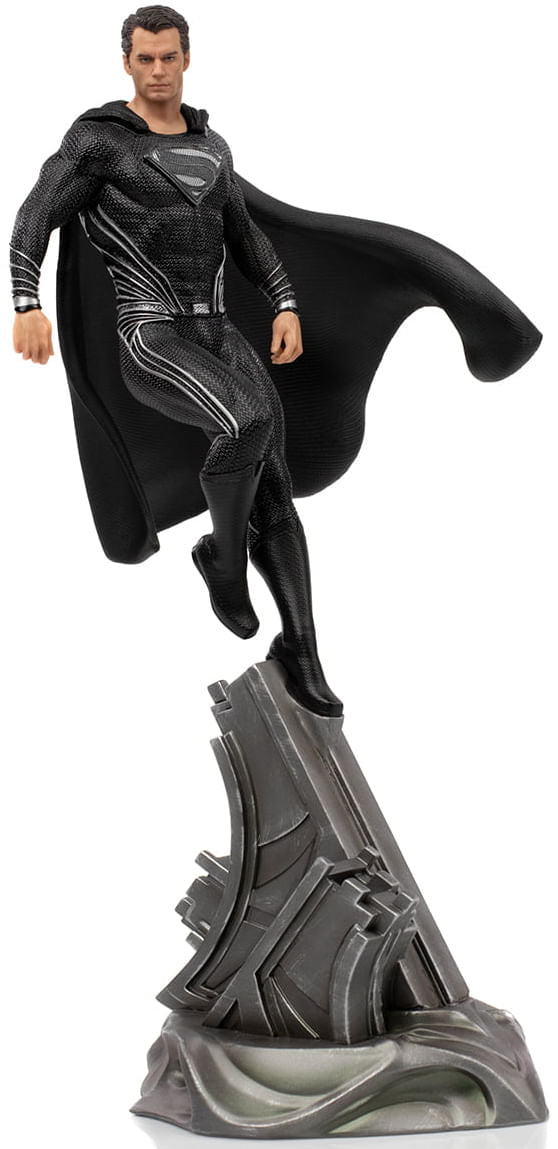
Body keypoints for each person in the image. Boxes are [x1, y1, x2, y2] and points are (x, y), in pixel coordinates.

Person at [10, 4, 343, 719]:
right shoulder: (99, 141)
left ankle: (302, 647)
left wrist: (284, 301)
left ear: (186, 58)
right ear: (127, 62)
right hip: (151, 335)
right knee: (247, 419)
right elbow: (36, 213)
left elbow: (244, 235)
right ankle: (223, 559)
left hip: (220, 330)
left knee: (275, 486)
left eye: (169, 57)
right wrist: (25, 301)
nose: (158, 71)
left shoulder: (212, 145)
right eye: (145, 59)